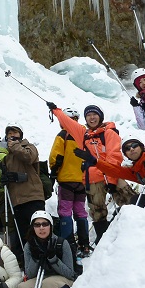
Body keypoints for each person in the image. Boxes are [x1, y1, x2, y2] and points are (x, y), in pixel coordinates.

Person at [46, 103, 135, 251]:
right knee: (97, 212)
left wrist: (111, 180)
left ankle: (137, 232)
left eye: (94, 114)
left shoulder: (109, 133)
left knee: (129, 201)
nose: (92, 117)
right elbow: (69, 123)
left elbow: (115, 156)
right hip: (92, 178)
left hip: (111, 174)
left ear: (100, 116)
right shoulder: (83, 135)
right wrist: (56, 111)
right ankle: (104, 243)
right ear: (85, 119)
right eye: (88, 115)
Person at [0, 123, 47, 265]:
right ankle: (29, 263)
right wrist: (6, 179)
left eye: (14, 133)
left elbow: (28, 158)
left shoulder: (29, 147)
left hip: (33, 196)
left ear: (20, 134)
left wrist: (14, 146)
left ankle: (45, 258)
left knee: (39, 230)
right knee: (24, 234)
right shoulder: (7, 157)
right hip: (18, 200)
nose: (12, 136)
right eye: (9, 134)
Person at [17, 211, 76, 288]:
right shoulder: (29, 246)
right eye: (37, 225)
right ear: (33, 228)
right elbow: (29, 275)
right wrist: (35, 259)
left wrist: (53, 259)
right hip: (42, 278)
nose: (41, 228)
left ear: (50, 226)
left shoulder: (61, 243)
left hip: (61, 280)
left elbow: (70, 274)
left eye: (45, 224)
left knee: (48, 283)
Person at [48, 108, 90, 252]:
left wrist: (53, 171)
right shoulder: (85, 134)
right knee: (80, 211)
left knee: (65, 211)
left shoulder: (63, 135)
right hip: (83, 180)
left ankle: (68, 244)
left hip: (66, 181)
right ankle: (84, 243)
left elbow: (55, 157)